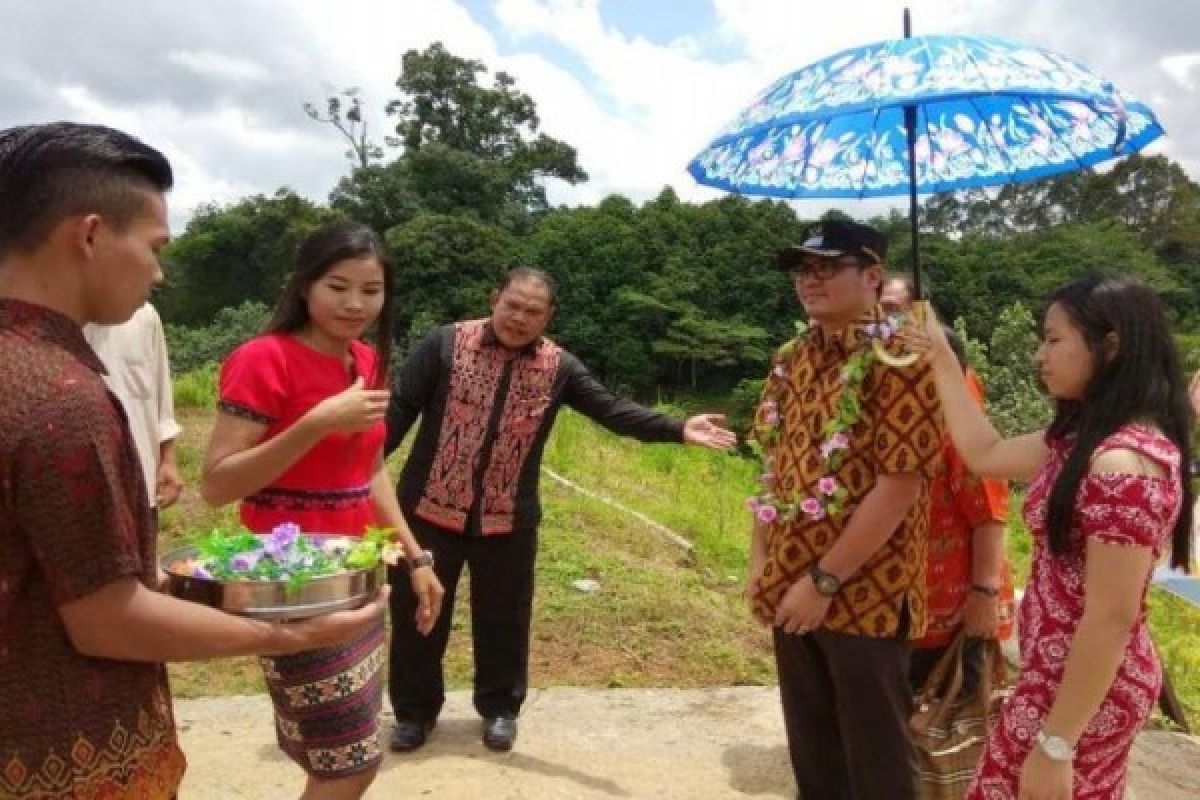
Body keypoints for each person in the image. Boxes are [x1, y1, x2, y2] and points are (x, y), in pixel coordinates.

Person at [0, 122, 386, 800]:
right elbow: (105, 616)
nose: (159, 270)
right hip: (63, 752)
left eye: (371, 289)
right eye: (154, 246)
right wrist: (296, 631)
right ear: (89, 236)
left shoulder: (363, 362)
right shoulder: (59, 394)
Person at [384, 266, 737, 753]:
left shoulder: (559, 367)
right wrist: (354, 470)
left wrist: (677, 428)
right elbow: (399, 408)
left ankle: (501, 709)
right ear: (494, 299)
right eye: (512, 305)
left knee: (504, 617)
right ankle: (414, 713)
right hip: (425, 510)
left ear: (549, 317)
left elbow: (611, 410)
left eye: (533, 311)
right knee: (418, 610)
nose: (519, 318)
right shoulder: (445, 344)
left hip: (508, 518)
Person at [903, 275, 1193, 799]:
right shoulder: (1082, 442)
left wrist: (1057, 743)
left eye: (1054, 339)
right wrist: (942, 357)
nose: (1041, 354)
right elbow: (984, 452)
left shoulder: (1121, 465)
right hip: (1057, 680)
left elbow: (1111, 617)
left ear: (1110, 345)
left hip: (1082, 692)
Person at [201, 221, 444, 799]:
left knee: (343, 758)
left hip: (358, 580)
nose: (356, 304)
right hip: (294, 590)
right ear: (305, 285)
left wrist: (415, 557)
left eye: (371, 289)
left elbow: (369, 470)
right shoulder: (264, 359)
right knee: (348, 766)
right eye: (339, 286)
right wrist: (315, 424)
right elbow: (216, 484)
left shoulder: (365, 360)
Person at [746, 219, 943, 800]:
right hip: (789, 586)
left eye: (828, 267)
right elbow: (772, 465)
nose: (811, 279)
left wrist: (825, 579)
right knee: (815, 754)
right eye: (803, 269)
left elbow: (901, 484)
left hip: (866, 595)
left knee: (876, 763)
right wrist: (760, 561)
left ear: (874, 276)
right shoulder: (791, 356)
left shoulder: (903, 357)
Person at [881, 274, 1015, 690]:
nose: (883, 323)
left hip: (953, 600)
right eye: (878, 312)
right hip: (897, 596)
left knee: (953, 719)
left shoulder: (951, 387)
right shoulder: (881, 382)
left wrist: (984, 592)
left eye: (893, 311)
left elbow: (989, 502)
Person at [84, 302, 184, 519]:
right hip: (77, 485)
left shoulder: (143, 314)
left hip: (141, 476)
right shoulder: (50, 316)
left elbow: (161, 392)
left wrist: (168, 460)